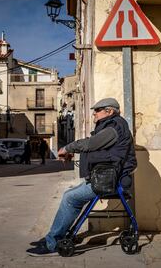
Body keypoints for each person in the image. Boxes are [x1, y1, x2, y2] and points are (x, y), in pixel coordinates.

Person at [26, 98, 137, 256]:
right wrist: (72, 153)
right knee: (70, 196)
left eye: (98, 110)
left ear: (110, 111)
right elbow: (99, 150)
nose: (94, 113)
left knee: (70, 198)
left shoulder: (113, 128)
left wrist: (67, 148)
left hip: (110, 181)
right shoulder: (112, 126)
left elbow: (91, 144)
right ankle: (54, 237)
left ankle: (52, 244)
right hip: (104, 178)